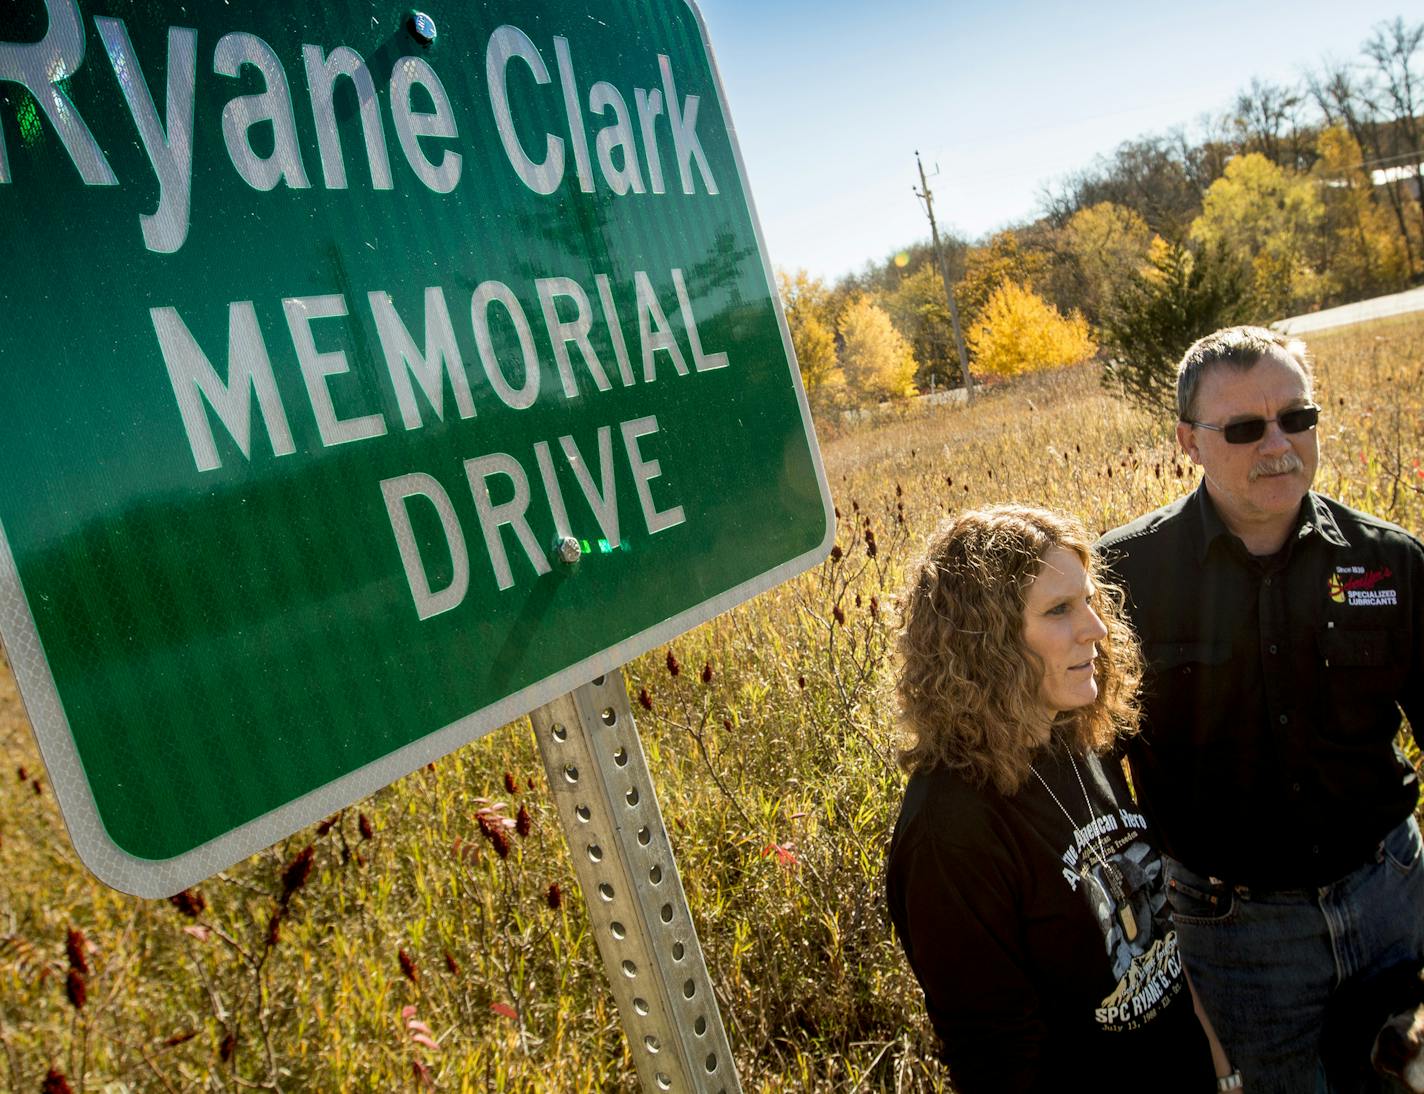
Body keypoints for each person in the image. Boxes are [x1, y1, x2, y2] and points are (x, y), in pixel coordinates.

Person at [1099, 326, 1424, 1093]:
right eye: (1244, 428)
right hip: (1236, 934)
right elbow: (1094, 776)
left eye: (1297, 418)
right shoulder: (1122, 579)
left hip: (1392, 899)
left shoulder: (1387, 560)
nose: (1278, 444)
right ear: (1188, 440)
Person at [885, 505, 1229, 1092]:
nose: (1095, 628)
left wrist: (1223, 1068)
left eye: (1090, 600)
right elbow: (999, 1060)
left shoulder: (1077, 734)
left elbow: (1164, 947)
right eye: (1060, 610)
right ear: (983, 642)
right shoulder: (950, 831)